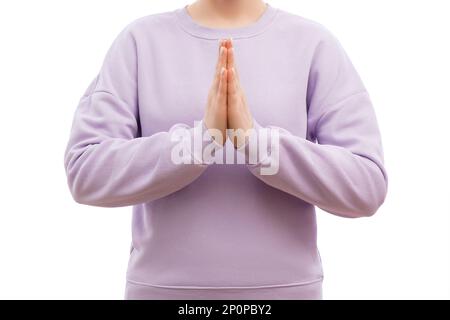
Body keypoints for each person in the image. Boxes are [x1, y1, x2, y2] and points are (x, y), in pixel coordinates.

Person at [64, 0, 388, 300]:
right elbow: (86, 170)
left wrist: (256, 143)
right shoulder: (139, 42)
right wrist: (201, 141)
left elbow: (366, 185)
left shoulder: (314, 44)